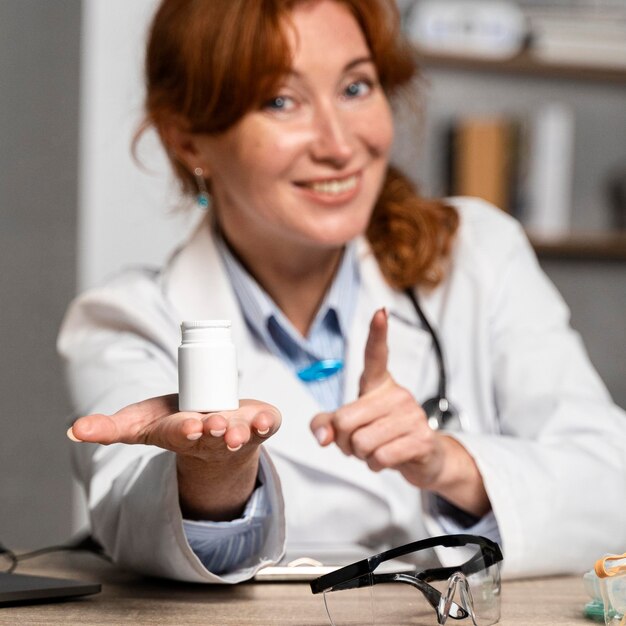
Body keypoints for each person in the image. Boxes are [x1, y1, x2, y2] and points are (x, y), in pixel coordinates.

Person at [59, 0, 626, 584]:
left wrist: (449, 462)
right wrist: (216, 471)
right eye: (281, 100)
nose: (338, 143)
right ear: (188, 141)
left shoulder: (478, 252)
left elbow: (612, 486)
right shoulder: (125, 320)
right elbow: (134, 523)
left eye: (356, 87)